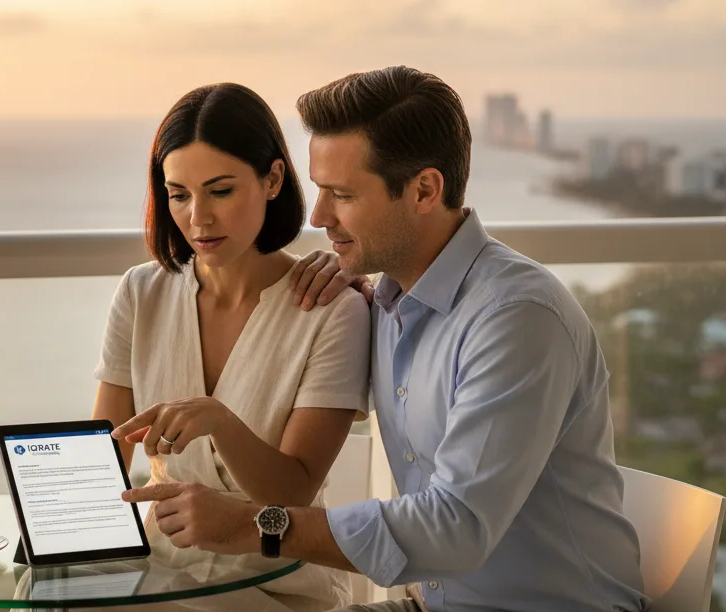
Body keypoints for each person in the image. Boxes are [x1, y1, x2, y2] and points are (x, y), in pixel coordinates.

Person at [122, 66, 652, 612]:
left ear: (424, 190)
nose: (319, 215)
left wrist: (255, 526)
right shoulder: (384, 303)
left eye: (342, 194)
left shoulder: (515, 320)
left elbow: (455, 529)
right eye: (321, 190)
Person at [91, 82, 371, 611]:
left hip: (273, 586)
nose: (198, 218)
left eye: (220, 191)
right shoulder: (139, 293)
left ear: (272, 179)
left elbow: (292, 494)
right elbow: (107, 452)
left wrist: (221, 421)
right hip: (158, 573)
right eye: (179, 195)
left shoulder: (333, 312)